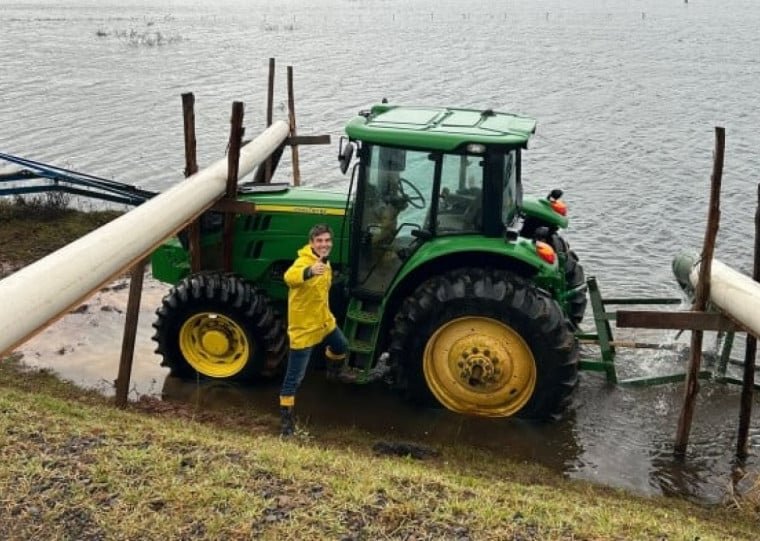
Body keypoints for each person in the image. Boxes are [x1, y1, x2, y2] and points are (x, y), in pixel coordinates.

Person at [279, 223, 348, 436]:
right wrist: (309, 271)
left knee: (341, 345)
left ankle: (332, 373)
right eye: (319, 241)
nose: (324, 244)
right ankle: (286, 424)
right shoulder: (304, 262)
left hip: (324, 321)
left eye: (327, 241)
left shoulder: (326, 264)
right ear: (311, 243)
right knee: (294, 378)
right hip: (304, 329)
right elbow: (289, 277)